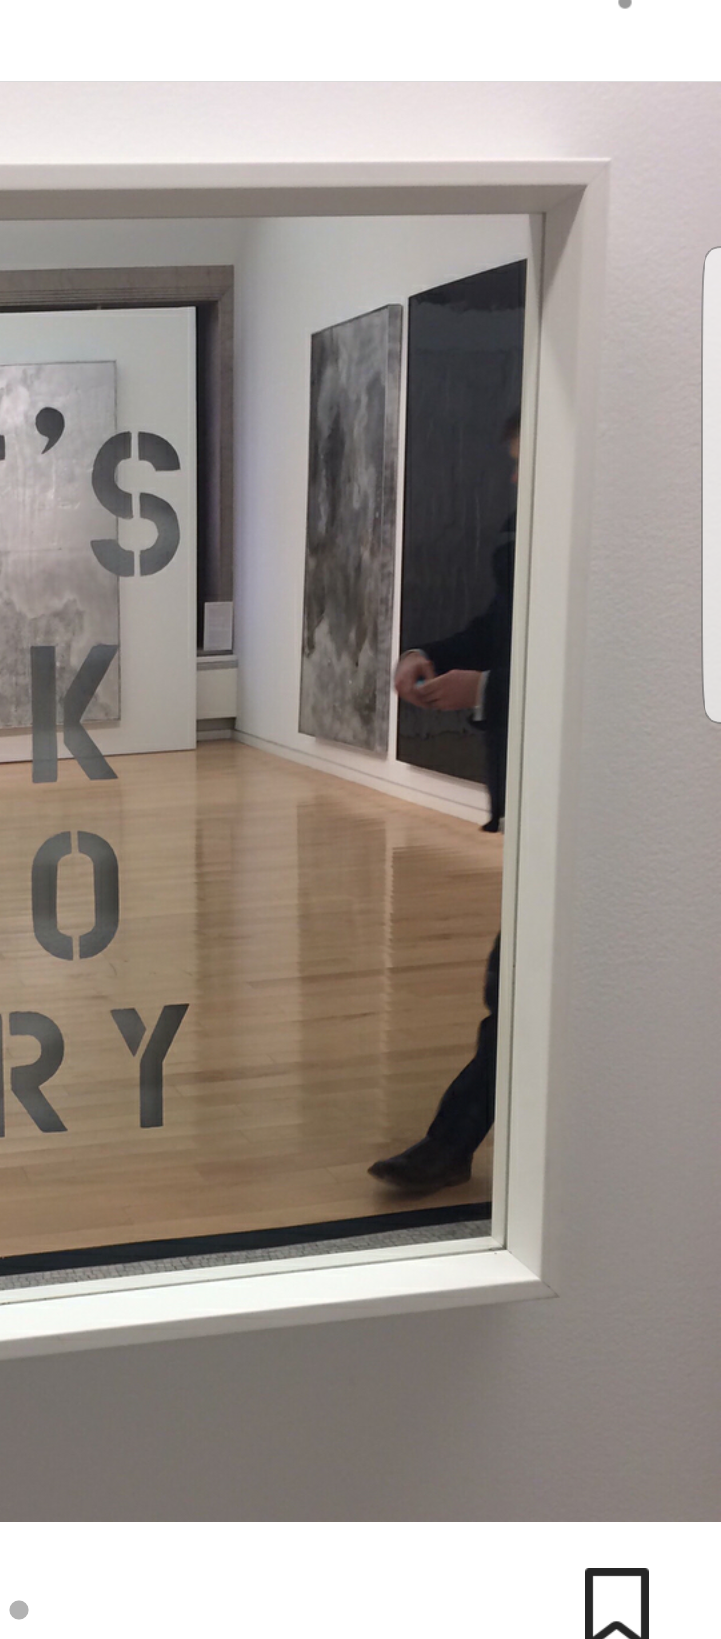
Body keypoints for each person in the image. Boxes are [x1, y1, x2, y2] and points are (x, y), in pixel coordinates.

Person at [368, 412, 519, 1193]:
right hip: (539, 795)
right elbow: (499, 633)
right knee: (518, 987)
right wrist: (433, 652)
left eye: (530, 466)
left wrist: (487, 689)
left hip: (581, 802)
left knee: (515, 986)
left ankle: (450, 1145)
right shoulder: (530, 536)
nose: (522, 483)